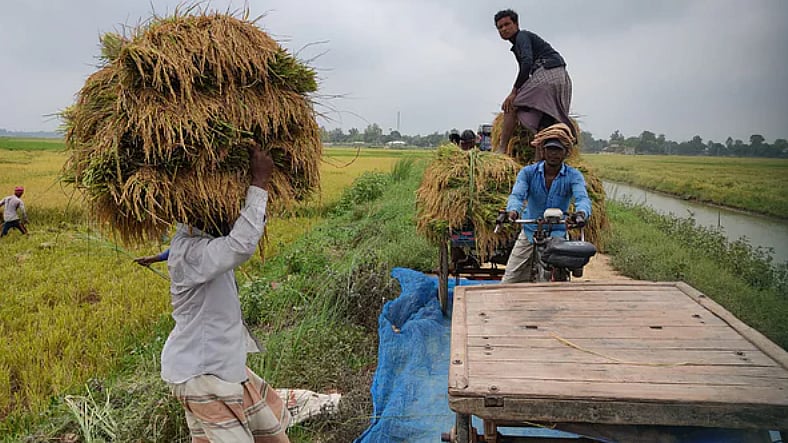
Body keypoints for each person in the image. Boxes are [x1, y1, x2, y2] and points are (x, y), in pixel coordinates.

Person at [162, 141, 291, 442]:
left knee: (272, 434)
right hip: (202, 375)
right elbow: (240, 245)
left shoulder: (193, 244)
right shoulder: (194, 252)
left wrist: (161, 256)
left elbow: (205, 250)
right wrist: (259, 182)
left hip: (222, 366)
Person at [501, 136, 591, 283]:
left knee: (561, 284)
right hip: (530, 231)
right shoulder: (528, 173)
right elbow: (517, 195)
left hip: (558, 233)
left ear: (565, 153)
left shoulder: (574, 175)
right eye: (550, 150)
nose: (553, 154)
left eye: (558, 150)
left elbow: (582, 198)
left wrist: (581, 214)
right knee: (510, 279)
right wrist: (513, 211)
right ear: (543, 151)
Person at [492, 9, 574, 155]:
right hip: (562, 78)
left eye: (507, 24)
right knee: (546, 121)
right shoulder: (519, 44)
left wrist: (513, 92)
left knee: (511, 106)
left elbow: (527, 63)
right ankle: (540, 160)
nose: (503, 29)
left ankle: (502, 149)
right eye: (500, 27)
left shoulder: (522, 36)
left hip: (547, 73)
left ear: (516, 24)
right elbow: (526, 70)